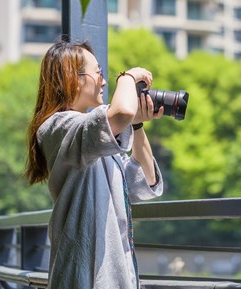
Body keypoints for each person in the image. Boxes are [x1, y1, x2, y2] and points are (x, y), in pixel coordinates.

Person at [25, 39, 165, 289]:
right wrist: (128, 77)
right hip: (83, 277)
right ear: (72, 77)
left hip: (113, 277)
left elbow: (146, 181)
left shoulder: (93, 140)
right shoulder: (58, 127)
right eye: (98, 72)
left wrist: (137, 124)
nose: (103, 80)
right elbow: (119, 112)